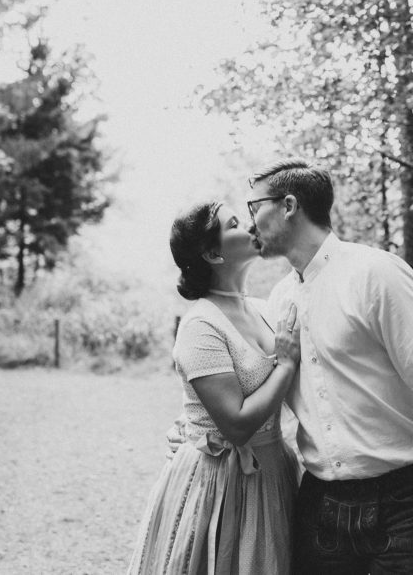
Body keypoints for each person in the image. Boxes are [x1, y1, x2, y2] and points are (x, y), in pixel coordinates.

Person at [248, 158, 413, 575]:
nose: (249, 223)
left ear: (289, 205)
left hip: (404, 501)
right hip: (319, 505)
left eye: (253, 207)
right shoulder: (278, 300)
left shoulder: (376, 274)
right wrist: (199, 436)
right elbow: (260, 387)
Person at [126, 201, 302, 575]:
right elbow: (235, 425)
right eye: (235, 223)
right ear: (212, 253)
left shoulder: (264, 309)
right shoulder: (200, 326)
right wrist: (285, 365)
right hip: (222, 484)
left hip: (273, 472)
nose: (251, 225)